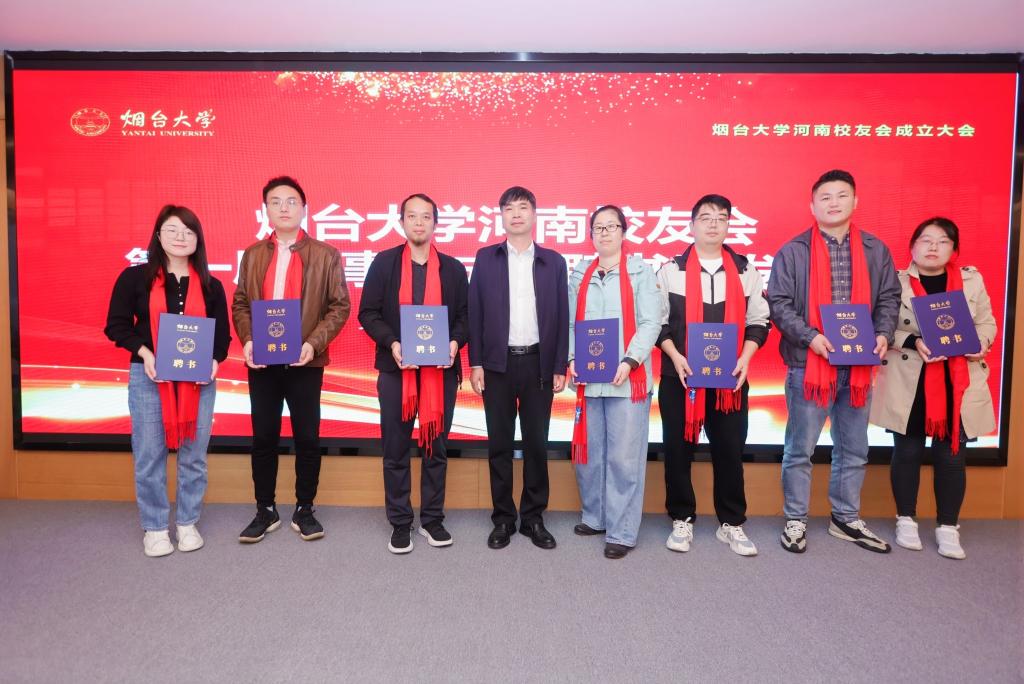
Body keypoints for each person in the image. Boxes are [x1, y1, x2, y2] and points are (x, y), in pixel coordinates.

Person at [767, 169, 901, 554]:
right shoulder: (794, 251)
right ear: (812, 206)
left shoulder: (875, 250)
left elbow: (889, 298)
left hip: (857, 368)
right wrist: (811, 337)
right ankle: (795, 519)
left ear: (855, 201)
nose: (834, 203)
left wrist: (883, 334)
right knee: (800, 449)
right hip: (809, 366)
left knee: (854, 449)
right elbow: (779, 303)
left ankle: (845, 517)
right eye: (825, 197)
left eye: (842, 195)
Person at [104, 205, 230, 557]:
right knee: (149, 455)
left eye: (188, 232)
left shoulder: (211, 285)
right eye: (172, 230)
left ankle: (188, 522)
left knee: (194, 456)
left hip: (197, 381)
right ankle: (156, 527)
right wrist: (146, 353)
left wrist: (214, 361)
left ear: (198, 240)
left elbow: (221, 336)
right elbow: (116, 326)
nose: (180, 237)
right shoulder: (135, 278)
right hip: (149, 377)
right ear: (158, 235)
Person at [232, 176, 350, 543]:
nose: (284, 208)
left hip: (305, 362)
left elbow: (339, 306)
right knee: (263, 437)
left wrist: (313, 344)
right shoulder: (253, 254)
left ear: (304, 209)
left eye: (291, 201)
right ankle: (265, 510)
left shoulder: (326, 255)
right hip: (263, 364)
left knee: (307, 437)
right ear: (265, 209)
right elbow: (240, 303)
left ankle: (305, 508)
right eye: (276, 202)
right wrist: (248, 340)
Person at [870, 217, 996, 559]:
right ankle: (905, 519)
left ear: (954, 249)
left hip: (958, 378)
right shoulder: (895, 282)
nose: (933, 247)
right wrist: (913, 341)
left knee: (951, 455)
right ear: (912, 246)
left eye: (942, 241)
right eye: (925, 240)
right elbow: (881, 326)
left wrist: (980, 343)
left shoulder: (971, 281)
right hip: (910, 378)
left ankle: (948, 526)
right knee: (907, 452)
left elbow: (986, 322)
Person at [656, 194, 770, 556]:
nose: (713, 224)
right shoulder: (670, 270)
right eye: (705, 217)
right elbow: (656, 322)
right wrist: (675, 356)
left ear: (729, 225)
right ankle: (682, 517)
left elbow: (759, 320)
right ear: (691, 225)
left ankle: (731, 522)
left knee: (730, 450)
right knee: (677, 450)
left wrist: (746, 358)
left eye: (721, 218)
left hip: (729, 380)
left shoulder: (744, 270)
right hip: (680, 377)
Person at [358, 193, 469, 554]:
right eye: (412, 216)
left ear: (435, 223)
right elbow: (368, 312)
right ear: (402, 222)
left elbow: (466, 317)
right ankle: (400, 522)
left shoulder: (453, 269)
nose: (419, 223)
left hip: (440, 373)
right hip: (396, 371)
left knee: (436, 448)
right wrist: (392, 343)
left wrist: (454, 343)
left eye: (425, 217)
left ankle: (432, 519)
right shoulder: (384, 263)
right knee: (395, 448)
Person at [468, 186, 569, 551]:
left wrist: (559, 364)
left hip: (539, 364)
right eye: (509, 208)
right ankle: (503, 518)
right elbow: (475, 311)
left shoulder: (553, 261)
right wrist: (476, 362)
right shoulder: (486, 258)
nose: (516, 214)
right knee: (499, 443)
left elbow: (562, 316)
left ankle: (533, 517)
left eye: (523, 208)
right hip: (497, 365)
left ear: (534, 215)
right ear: (501, 216)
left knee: (536, 444)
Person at [568, 205, 664, 559]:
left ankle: (622, 531)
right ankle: (595, 517)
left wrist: (630, 359)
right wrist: (572, 358)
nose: (605, 232)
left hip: (628, 379)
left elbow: (652, 322)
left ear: (624, 232)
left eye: (612, 226)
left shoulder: (641, 271)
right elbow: (570, 324)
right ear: (591, 235)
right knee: (590, 455)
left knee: (624, 458)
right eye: (598, 227)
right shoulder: (580, 274)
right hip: (590, 380)